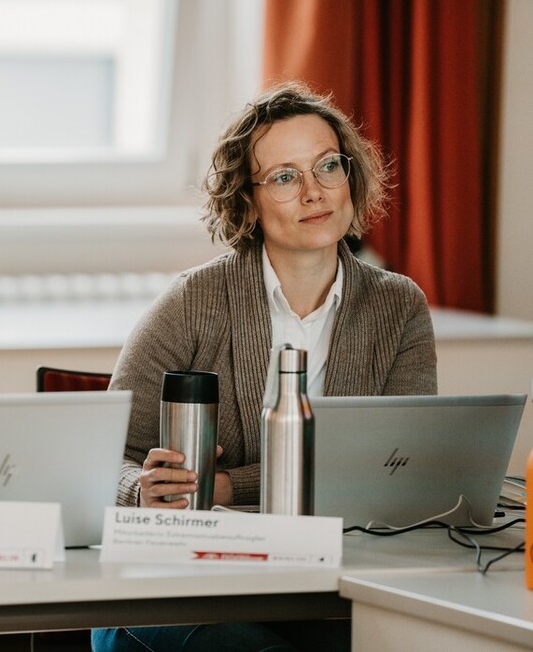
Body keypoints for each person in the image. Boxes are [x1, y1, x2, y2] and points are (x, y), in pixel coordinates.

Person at [93, 81, 437, 651]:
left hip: (330, 590)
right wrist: (142, 491)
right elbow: (100, 457)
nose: (314, 192)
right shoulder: (193, 301)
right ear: (246, 200)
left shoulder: (399, 306)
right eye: (284, 176)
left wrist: (226, 486)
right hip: (175, 593)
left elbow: (400, 471)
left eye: (328, 166)